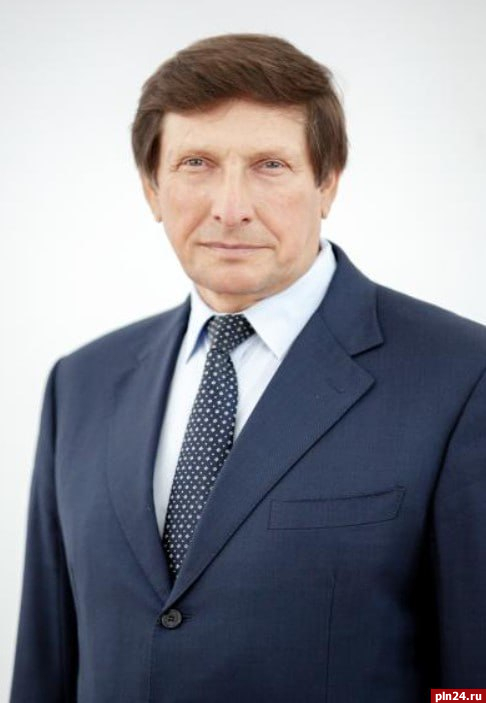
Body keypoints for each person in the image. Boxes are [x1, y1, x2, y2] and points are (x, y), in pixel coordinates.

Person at [9, 33, 486, 703]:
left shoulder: (460, 376)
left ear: (328, 182)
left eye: (269, 165)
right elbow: (45, 666)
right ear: (151, 187)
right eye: (196, 163)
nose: (230, 207)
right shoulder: (81, 383)